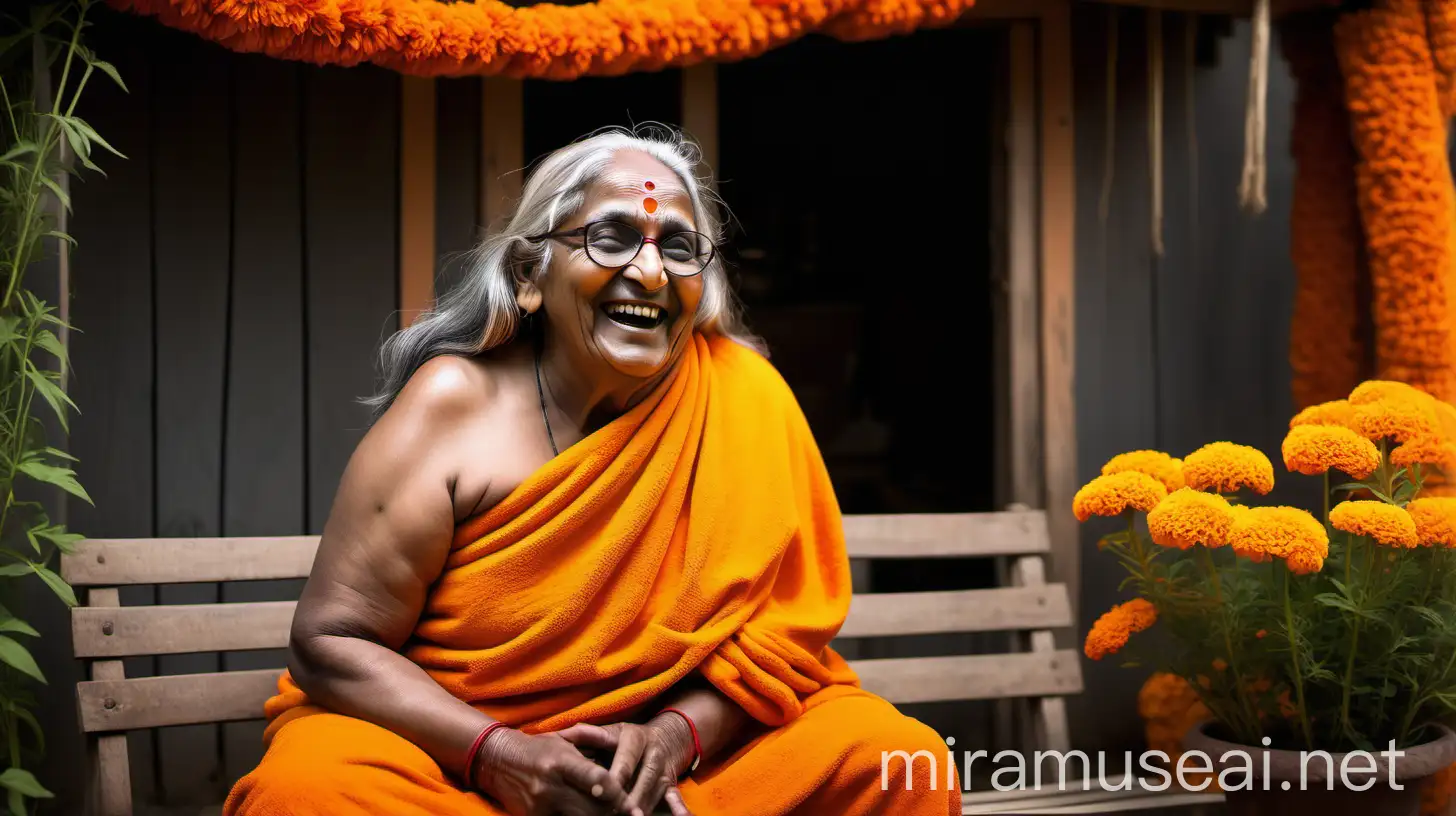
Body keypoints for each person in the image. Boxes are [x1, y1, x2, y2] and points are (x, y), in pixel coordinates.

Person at [224, 127, 958, 816]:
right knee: (308, 792)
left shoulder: (746, 395)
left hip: (683, 767)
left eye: (679, 247)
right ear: (530, 275)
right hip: (458, 760)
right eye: (611, 237)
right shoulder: (452, 406)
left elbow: (779, 639)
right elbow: (333, 641)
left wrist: (674, 738)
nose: (649, 270)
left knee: (899, 762)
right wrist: (499, 755)